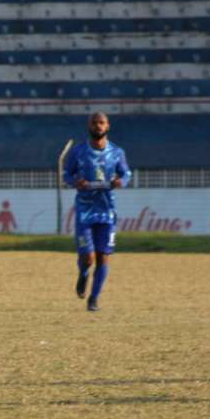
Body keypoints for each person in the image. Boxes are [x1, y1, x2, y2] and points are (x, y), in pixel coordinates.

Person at [63, 112, 131, 311]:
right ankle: (83, 274)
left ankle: (93, 299)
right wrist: (75, 182)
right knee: (88, 257)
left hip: (107, 211)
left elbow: (126, 172)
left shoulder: (117, 152)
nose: (98, 126)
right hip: (85, 211)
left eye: (101, 123)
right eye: (94, 123)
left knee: (103, 256)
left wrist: (121, 181)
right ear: (89, 125)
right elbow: (67, 173)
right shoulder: (78, 151)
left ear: (108, 126)